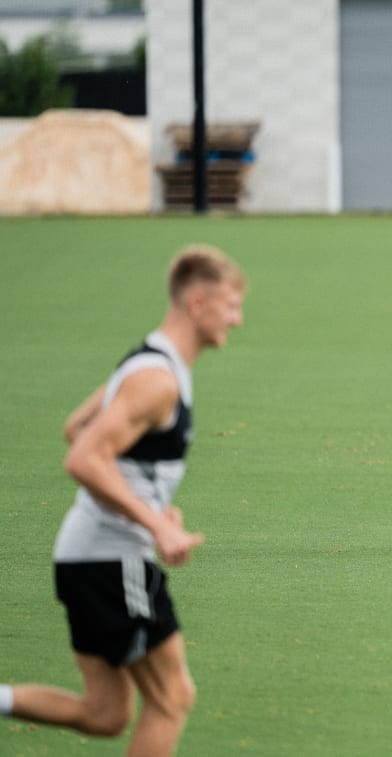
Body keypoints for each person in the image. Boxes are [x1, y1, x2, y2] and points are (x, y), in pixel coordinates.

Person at [1, 246, 246, 753]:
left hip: (87, 557)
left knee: (107, 714)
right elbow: (84, 458)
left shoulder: (148, 362)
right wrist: (156, 526)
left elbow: (77, 428)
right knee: (172, 697)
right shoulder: (157, 380)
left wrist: (151, 505)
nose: (237, 319)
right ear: (197, 302)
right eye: (231, 305)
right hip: (112, 559)